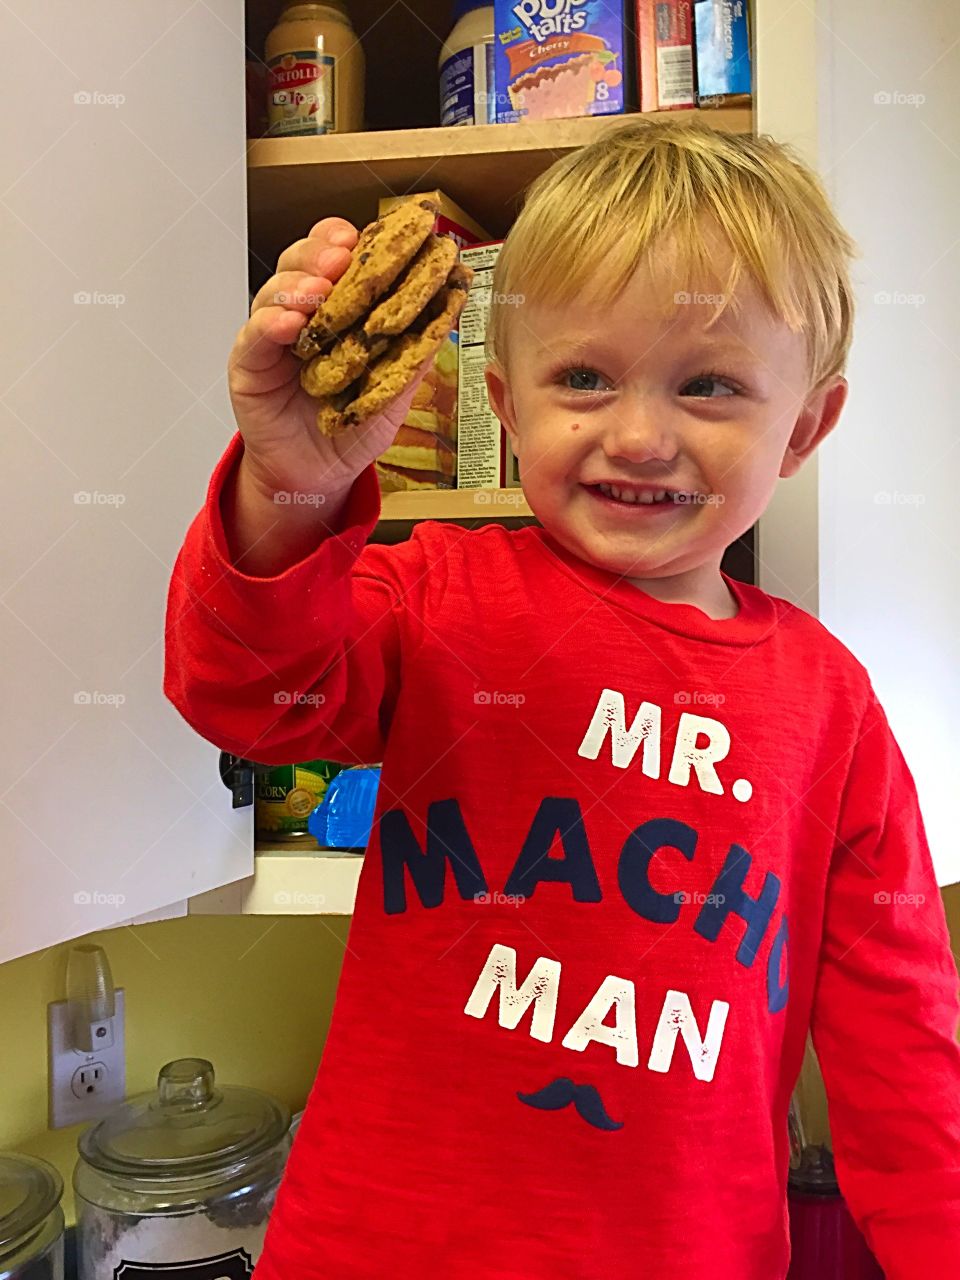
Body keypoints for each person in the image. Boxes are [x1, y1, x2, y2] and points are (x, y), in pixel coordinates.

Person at [164, 120, 960, 1278]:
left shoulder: (830, 703)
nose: (638, 436)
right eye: (583, 377)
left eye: (710, 385)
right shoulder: (434, 589)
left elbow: (903, 1038)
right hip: (381, 1246)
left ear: (806, 426)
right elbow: (249, 692)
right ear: (505, 399)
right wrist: (291, 484)